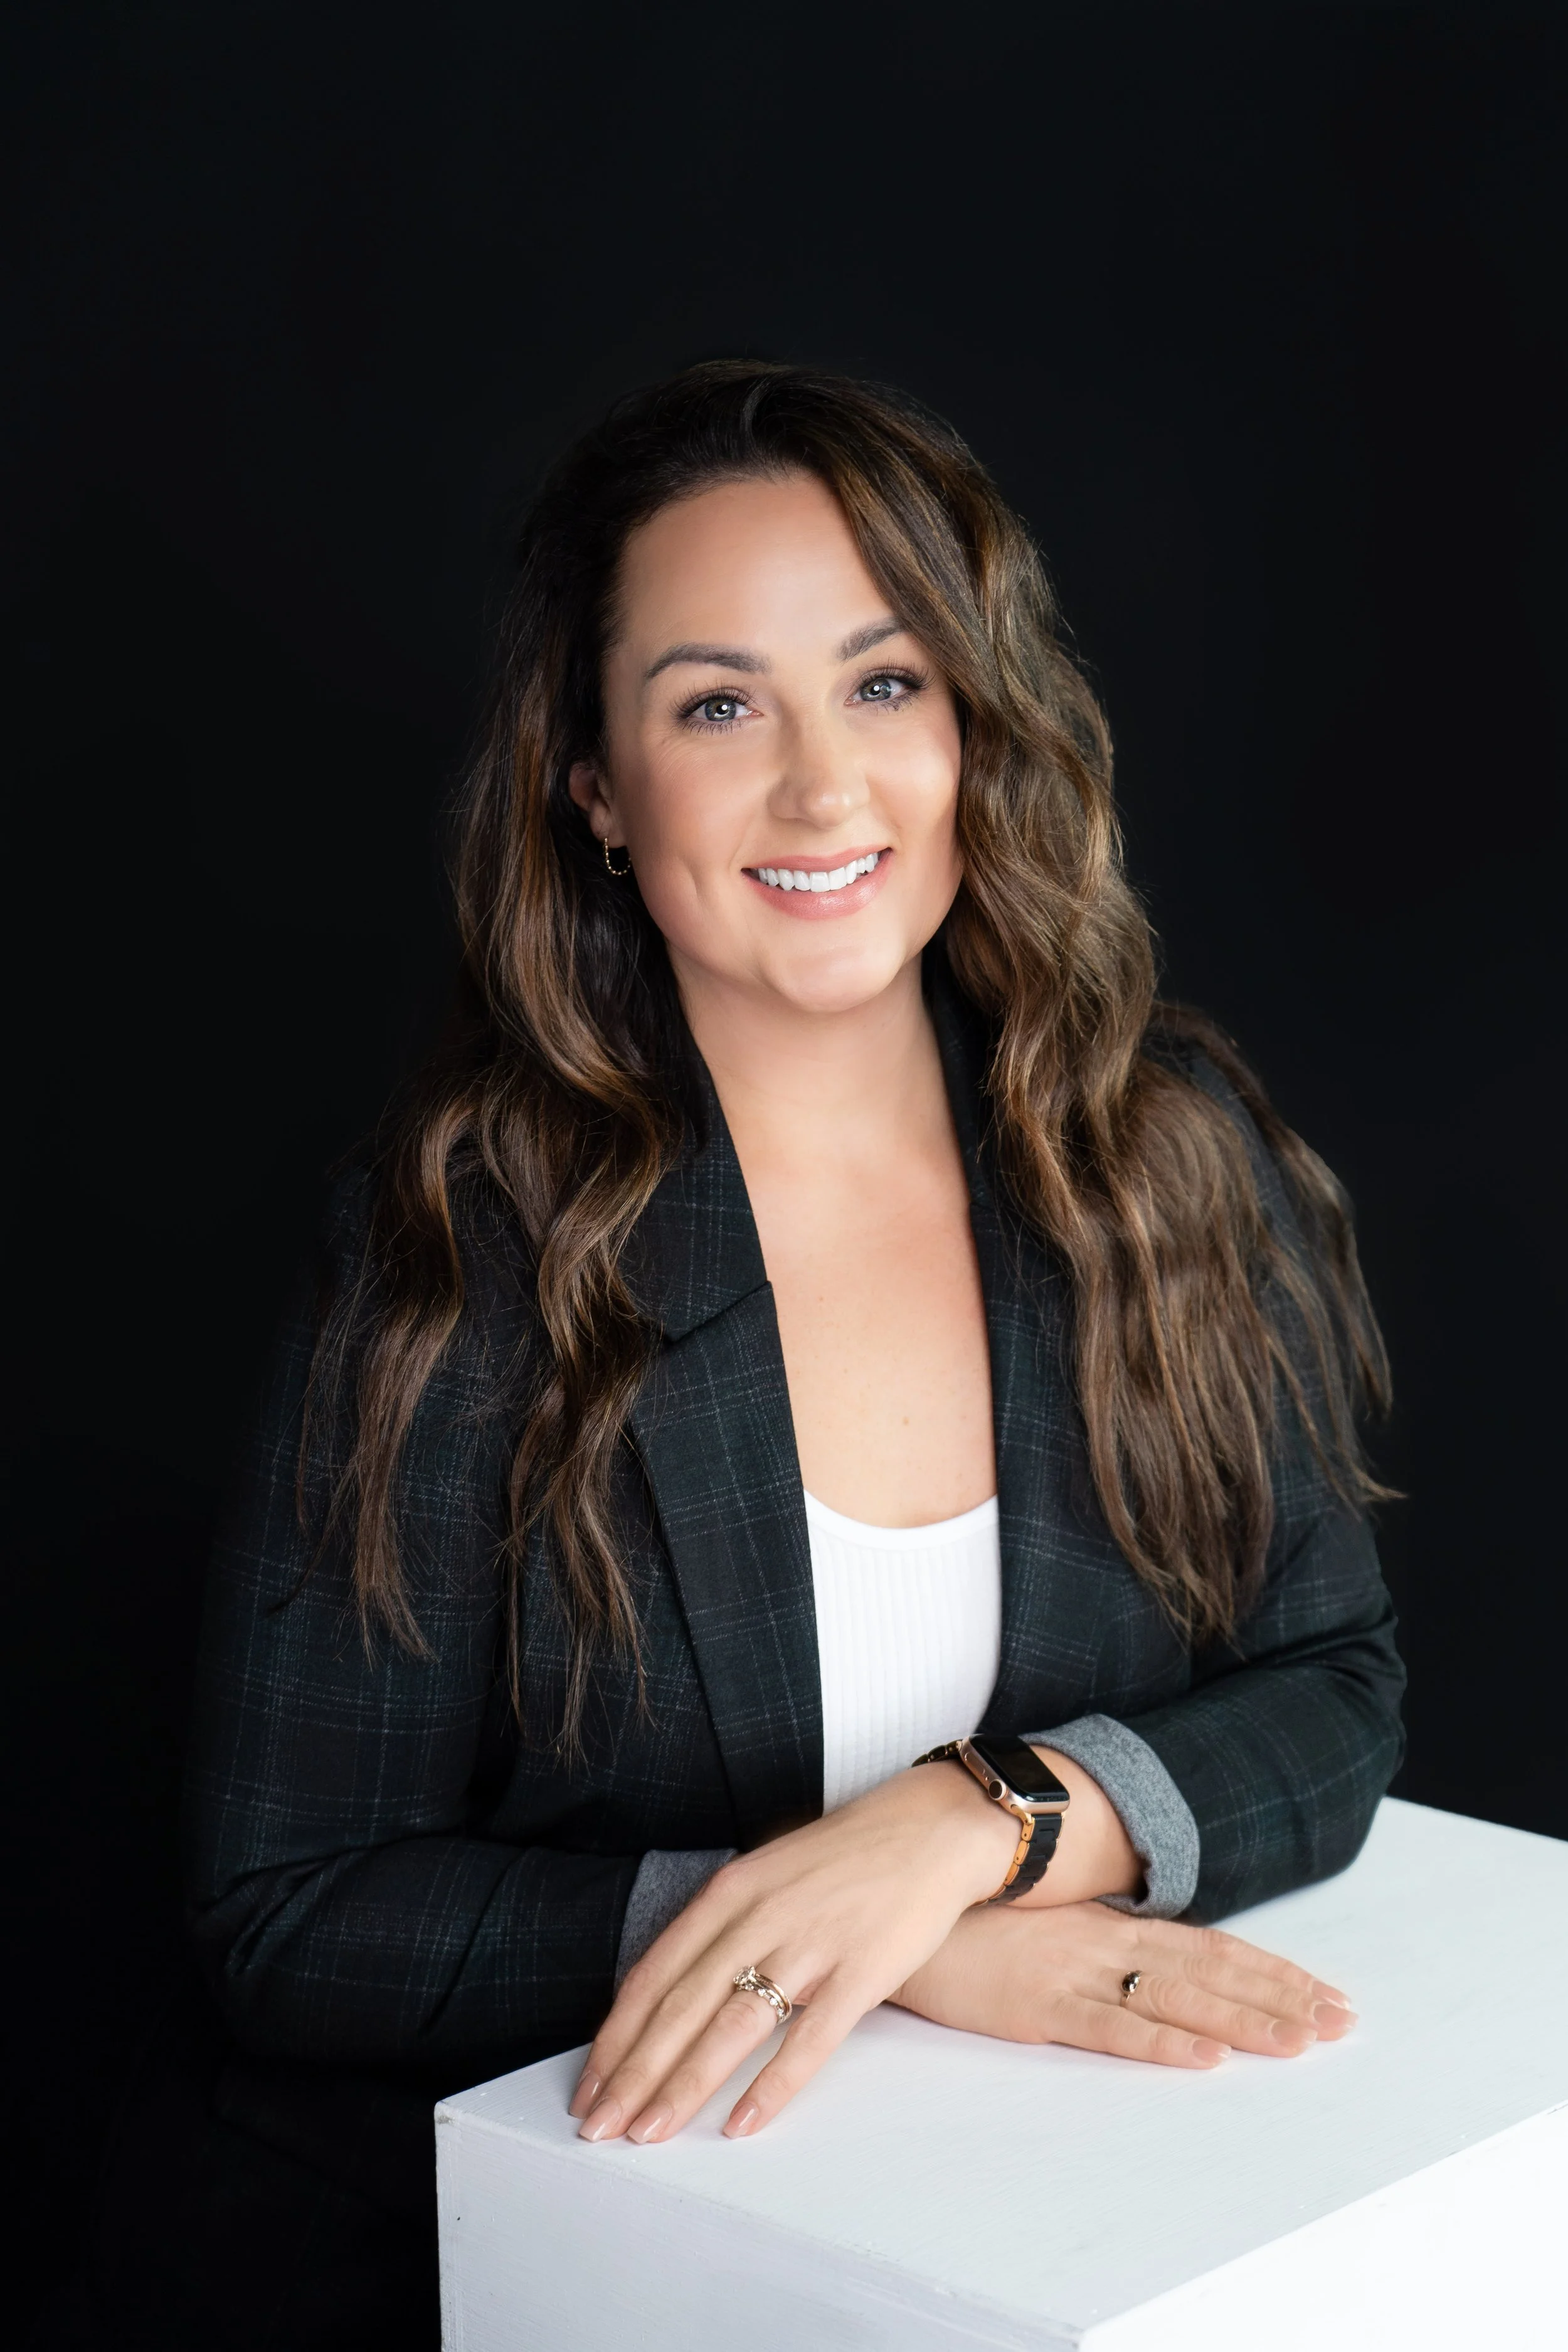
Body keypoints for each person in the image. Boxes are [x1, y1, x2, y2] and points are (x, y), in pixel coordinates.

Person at [155, 363, 1401, 2344]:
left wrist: (965, 1828)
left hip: (1061, 2240)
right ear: (594, 784)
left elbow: (1333, 1688)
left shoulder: (1151, 1154)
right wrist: (860, 1940)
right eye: (718, 704)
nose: (823, 789)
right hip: (606, 2261)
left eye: (885, 683)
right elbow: (289, 1911)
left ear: (977, 726)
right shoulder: (462, 1243)